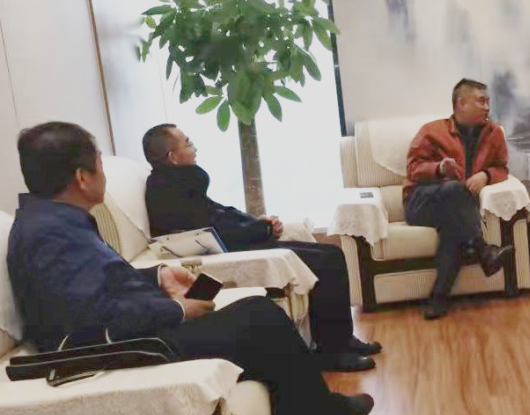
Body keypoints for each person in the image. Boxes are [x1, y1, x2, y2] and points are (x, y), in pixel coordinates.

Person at [7, 122, 382, 415]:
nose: (103, 175)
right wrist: (176, 310)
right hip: (115, 350)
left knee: (259, 314)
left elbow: (100, 284)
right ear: (82, 178)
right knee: (261, 323)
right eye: (99, 164)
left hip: (125, 333)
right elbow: (86, 319)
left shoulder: (55, 221)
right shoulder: (50, 235)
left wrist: (157, 276)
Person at [141, 124, 379, 372]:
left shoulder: (176, 181)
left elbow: (220, 214)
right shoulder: (168, 188)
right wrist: (261, 229)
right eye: (188, 143)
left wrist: (257, 223)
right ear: (173, 157)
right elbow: (216, 229)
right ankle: (332, 352)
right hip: (229, 253)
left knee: (332, 254)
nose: (195, 148)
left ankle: (342, 339)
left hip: (238, 243)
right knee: (326, 262)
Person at [404, 78, 515, 320]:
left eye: (488, 101)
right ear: (461, 103)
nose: (487, 107)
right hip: (422, 202)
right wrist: (439, 168)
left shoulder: (494, 133)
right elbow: (413, 170)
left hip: (459, 208)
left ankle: (438, 299)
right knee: (455, 189)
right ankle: (483, 248)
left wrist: (486, 175)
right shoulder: (432, 131)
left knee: (453, 229)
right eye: (481, 101)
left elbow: (502, 168)